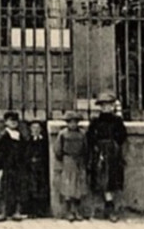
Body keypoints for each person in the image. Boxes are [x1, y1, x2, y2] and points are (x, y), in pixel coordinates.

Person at [85, 90, 128, 221]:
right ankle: (105, 208)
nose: (106, 108)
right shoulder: (96, 121)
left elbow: (122, 136)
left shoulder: (117, 121)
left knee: (112, 180)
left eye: (109, 105)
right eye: (103, 105)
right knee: (100, 179)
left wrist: (114, 145)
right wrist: (97, 147)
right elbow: (90, 136)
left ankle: (110, 208)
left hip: (113, 153)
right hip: (99, 153)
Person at [0, 111, 29, 220]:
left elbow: (24, 151)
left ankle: (17, 211)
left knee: (19, 188)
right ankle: (4, 212)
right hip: (7, 167)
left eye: (15, 121)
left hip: (18, 167)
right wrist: (0, 167)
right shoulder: (4, 136)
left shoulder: (20, 136)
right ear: (6, 122)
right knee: (5, 189)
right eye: (10, 121)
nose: (13, 123)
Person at [55, 112, 88, 221]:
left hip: (79, 160)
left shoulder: (82, 134)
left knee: (78, 186)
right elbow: (58, 149)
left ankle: (77, 210)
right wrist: (63, 158)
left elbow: (85, 147)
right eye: (70, 122)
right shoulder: (63, 134)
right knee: (68, 185)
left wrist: (83, 158)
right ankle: (68, 211)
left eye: (75, 122)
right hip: (68, 160)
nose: (73, 125)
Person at [25, 119, 52, 218]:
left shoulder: (44, 141)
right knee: (32, 188)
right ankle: (32, 211)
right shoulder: (28, 141)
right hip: (31, 168)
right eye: (33, 128)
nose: (35, 130)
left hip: (41, 168)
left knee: (42, 188)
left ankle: (42, 210)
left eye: (37, 128)